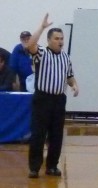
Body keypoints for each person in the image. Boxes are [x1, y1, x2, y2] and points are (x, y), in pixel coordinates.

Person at [25, 15, 79, 178]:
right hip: (43, 99)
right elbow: (31, 44)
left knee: (56, 135)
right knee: (38, 134)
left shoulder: (66, 57)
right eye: (56, 38)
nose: (60, 41)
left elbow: (69, 76)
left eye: (62, 38)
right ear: (49, 40)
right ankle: (34, 167)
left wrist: (74, 85)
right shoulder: (41, 53)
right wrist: (41, 27)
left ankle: (52, 166)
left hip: (58, 100)